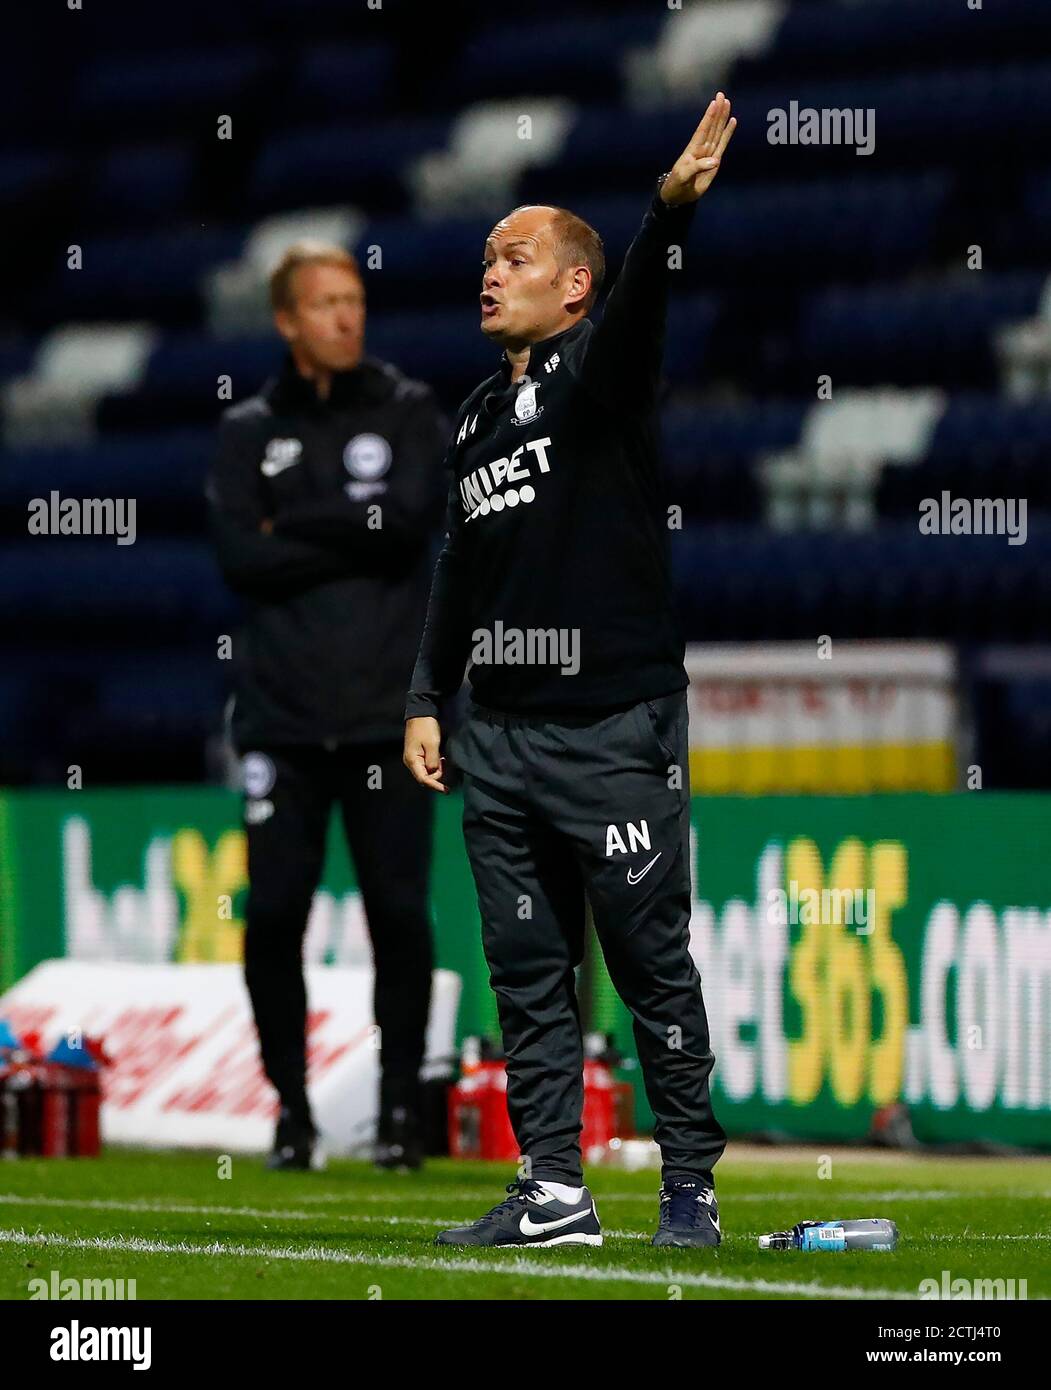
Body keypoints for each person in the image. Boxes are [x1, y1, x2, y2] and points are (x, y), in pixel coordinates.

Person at [404, 95, 736, 1246]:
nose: (490, 272)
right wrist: (422, 698)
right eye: (487, 256)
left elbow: (645, 302)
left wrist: (666, 213)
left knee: (651, 966)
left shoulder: (603, 378)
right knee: (528, 972)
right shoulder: (474, 418)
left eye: (517, 256)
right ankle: (554, 1187)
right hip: (495, 735)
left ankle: (687, 1181)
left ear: (575, 286)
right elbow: (458, 566)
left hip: (611, 725)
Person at [208, 241, 447, 1171]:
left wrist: (291, 523)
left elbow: (409, 526)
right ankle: (294, 1112)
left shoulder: (409, 408)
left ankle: (396, 1116)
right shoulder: (246, 428)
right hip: (280, 718)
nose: (347, 317)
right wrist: (351, 522)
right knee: (273, 915)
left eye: (355, 300)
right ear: (286, 321)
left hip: (389, 716)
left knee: (399, 914)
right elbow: (239, 560)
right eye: (326, 305)